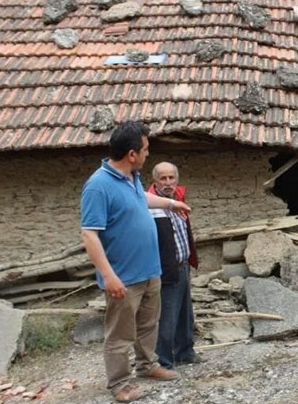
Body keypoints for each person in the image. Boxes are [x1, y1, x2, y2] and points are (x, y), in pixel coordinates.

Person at [80, 121, 191, 403]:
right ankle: (119, 382)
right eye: (145, 149)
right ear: (132, 153)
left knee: (147, 324)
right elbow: (89, 234)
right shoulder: (98, 186)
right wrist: (109, 276)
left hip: (150, 270)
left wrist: (170, 203)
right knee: (119, 333)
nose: (147, 154)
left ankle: (147, 365)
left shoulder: (132, 177)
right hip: (123, 276)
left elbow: (140, 200)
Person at [147, 162, 205, 368]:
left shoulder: (178, 200)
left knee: (184, 315)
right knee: (167, 319)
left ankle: (185, 352)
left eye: (171, 178)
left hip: (182, 266)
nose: (168, 182)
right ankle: (163, 361)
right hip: (165, 270)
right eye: (163, 178)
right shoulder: (150, 206)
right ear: (155, 181)